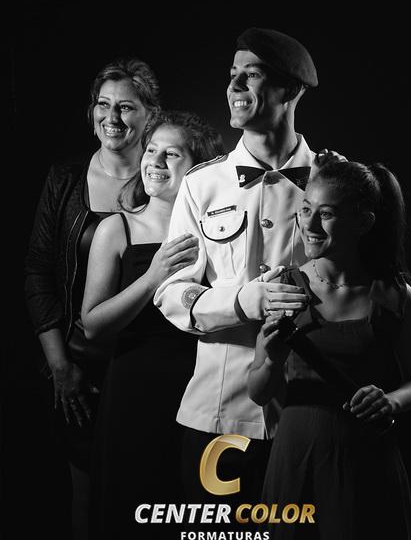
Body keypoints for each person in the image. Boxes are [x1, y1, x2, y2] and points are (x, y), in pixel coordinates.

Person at [154, 27, 344, 512]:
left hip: (314, 410)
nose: (234, 86)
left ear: (290, 90)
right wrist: (241, 301)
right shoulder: (201, 184)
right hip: (221, 413)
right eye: (232, 74)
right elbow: (172, 293)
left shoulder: (334, 179)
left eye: (252, 75)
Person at [248, 160, 411, 540]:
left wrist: (390, 401)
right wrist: (271, 359)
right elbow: (258, 392)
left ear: (363, 222)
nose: (310, 224)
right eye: (305, 210)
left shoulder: (396, 295)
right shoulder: (283, 288)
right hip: (297, 456)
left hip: (368, 458)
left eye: (326, 214)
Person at [24, 57, 160, 538]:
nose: (112, 118)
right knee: (85, 496)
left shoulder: (170, 179)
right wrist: (61, 367)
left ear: (151, 115)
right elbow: (37, 273)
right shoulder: (64, 179)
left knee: (148, 494)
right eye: (104, 105)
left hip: (148, 366)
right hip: (78, 366)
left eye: (126, 107)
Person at [80, 110, 224, 539]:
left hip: (201, 388)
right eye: (151, 150)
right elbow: (92, 324)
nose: (155, 162)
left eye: (171, 154)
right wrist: (152, 277)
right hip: (134, 390)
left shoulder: (217, 231)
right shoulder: (116, 229)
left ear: (197, 168)